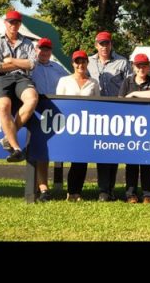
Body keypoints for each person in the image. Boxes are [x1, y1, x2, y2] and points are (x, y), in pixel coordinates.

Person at [0, 10, 38, 163]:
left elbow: (32, 64)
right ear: (5, 23)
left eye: (16, 22)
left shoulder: (28, 43)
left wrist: (10, 60)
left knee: (32, 98)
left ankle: (9, 136)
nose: (13, 25)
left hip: (22, 78)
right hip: (0, 79)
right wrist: (20, 63)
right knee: (4, 105)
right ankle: (16, 149)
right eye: (10, 22)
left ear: (20, 24)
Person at [87, 31, 132, 202]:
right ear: (96, 45)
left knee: (114, 150)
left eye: (107, 43)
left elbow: (130, 84)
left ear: (111, 44)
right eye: (101, 43)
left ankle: (109, 189)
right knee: (101, 150)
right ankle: (104, 190)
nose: (104, 47)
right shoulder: (88, 62)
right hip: (96, 110)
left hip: (117, 109)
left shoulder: (122, 62)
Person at [56, 50, 100, 201]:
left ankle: (76, 192)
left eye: (83, 61)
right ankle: (70, 191)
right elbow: (59, 103)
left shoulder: (93, 82)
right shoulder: (64, 80)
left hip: (86, 126)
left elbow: (97, 105)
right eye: (77, 61)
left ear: (87, 63)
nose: (80, 65)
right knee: (71, 157)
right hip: (68, 125)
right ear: (73, 63)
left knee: (81, 160)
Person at [118, 53, 150, 203]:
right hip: (131, 127)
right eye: (138, 65)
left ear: (149, 67)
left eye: (144, 65)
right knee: (131, 161)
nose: (141, 68)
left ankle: (148, 194)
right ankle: (131, 194)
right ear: (133, 67)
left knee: (148, 162)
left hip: (149, 126)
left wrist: (134, 94)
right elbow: (121, 100)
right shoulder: (127, 81)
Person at [31, 37, 68, 201]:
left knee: (57, 148)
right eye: (41, 48)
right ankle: (43, 187)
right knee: (41, 150)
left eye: (47, 49)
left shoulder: (58, 68)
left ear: (51, 51)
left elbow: (70, 81)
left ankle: (58, 185)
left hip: (56, 110)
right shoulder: (30, 67)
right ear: (36, 50)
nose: (44, 52)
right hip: (36, 111)